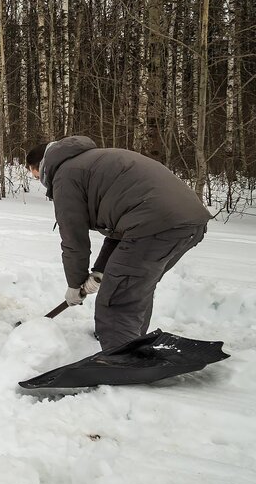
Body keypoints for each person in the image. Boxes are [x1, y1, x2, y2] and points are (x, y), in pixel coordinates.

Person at [26, 136, 212, 350]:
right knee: (134, 287)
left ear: (41, 165)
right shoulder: (92, 161)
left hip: (155, 224)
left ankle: (121, 357)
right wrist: (99, 272)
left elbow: (73, 239)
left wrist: (75, 284)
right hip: (189, 223)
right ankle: (130, 343)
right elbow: (120, 231)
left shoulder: (66, 174)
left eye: (35, 174)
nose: (38, 179)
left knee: (117, 296)